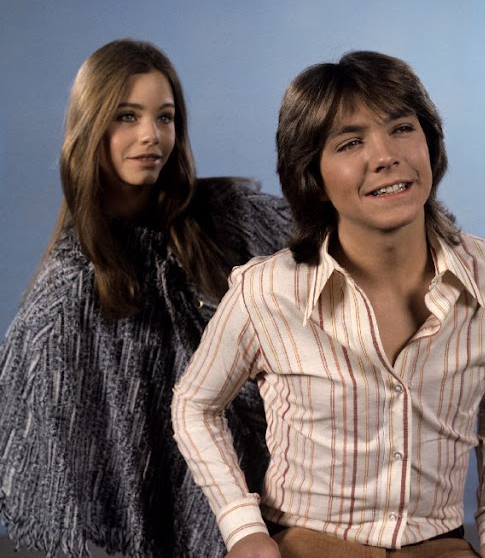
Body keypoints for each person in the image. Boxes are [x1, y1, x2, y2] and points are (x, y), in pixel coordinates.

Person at [172, 51, 485, 558]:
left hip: (439, 545)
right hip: (308, 543)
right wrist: (243, 528)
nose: (385, 156)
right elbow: (194, 405)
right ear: (312, 175)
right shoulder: (267, 291)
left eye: (402, 128)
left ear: (430, 142)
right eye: (351, 143)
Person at [0, 39, 292, 558]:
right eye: (127, 116)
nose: (151, 136)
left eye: (165, 117)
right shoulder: (67, 295)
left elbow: (336, 243)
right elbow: (53, 477)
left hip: (277, 516)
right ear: (90, 126)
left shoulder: (229, 218)